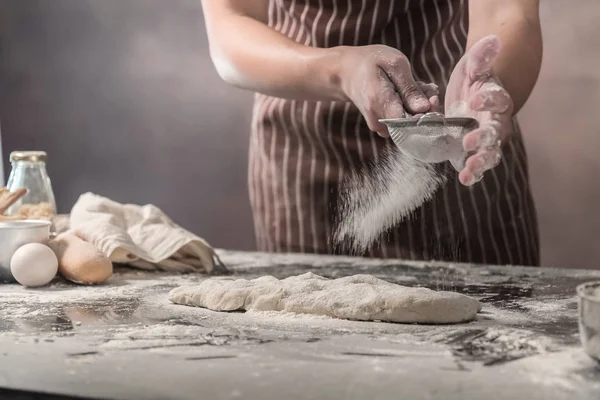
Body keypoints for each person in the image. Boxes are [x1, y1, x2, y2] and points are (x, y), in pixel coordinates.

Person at [201, 0, 543, 266]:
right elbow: (232, 22)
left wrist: (485, 85)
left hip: (456, 142)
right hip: (305, 155)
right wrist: (338, 71)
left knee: (485, 343)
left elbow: (509, 11)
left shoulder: (465, 122)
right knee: (310, 343)